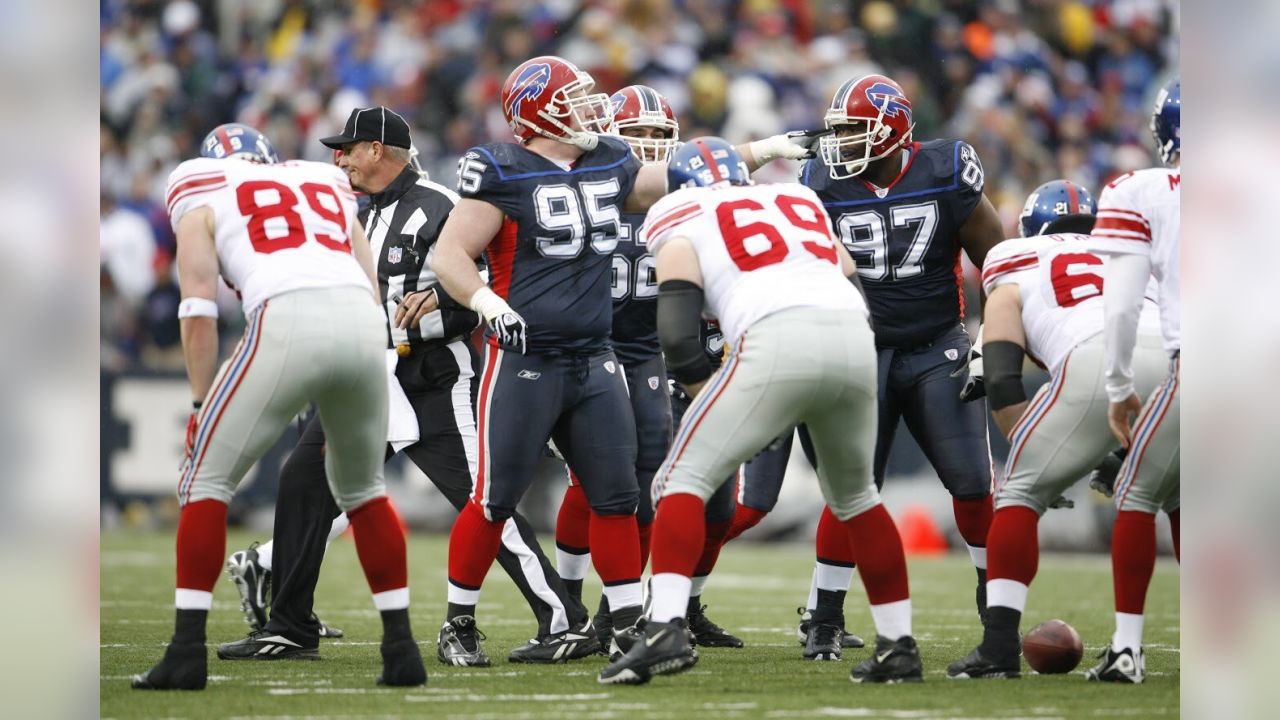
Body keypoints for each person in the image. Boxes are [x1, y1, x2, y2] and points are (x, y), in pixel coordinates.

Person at [429, 56, 813, 666]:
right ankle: (459, 621)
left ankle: (628, 625)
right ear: (537, 109)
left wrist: (761, 150)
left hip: (596, 358)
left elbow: (689, 174)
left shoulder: (609, 159)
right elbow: (450, 253)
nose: (590, 109)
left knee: (616, 498)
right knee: (496, 498)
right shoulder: (502, 168)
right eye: (574, 98)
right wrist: (483, 301)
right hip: (526, 359)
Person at [217, 107, 591, 664]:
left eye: (349, 147)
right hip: (367, 374)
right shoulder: (353, 210)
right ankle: (291, 624)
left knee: (482, 502)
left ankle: (564, 618)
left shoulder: (441, 204)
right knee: (304, 480)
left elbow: (498, 281)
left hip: (434, 377)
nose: (338, 158)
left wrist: (442, 301)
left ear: (378, 150)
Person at [599, 137, 921, 685]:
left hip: (775, 338)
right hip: (854, 336)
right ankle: (899, 645)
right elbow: (849, 276)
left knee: (679, 480)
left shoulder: (679, 211)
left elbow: (676, 334)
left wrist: (711, 394)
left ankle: (665, 628)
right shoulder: (795, 200)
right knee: (858, 498)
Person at [131, 123, 425, 690]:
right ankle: (401, 650)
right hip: (363, 326)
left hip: (286, 316)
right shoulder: (321, 180)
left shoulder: (201, 186)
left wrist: (199, 402)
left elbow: (197, 306)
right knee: (365, 492)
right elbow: (366, 281)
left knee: (204, 481)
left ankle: (186, 651)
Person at [790, 73, 1007, 658]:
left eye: (854, 130)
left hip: (937, 346)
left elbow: (999, 262)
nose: (839, 144)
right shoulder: (819, 183)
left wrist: (992, 334)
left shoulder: (944, 171)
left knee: (970, 481)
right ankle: (825, 615)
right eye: (837, 131)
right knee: (851, 488)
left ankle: (997, 603)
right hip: (859, 349)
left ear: (892, 131)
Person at [944, 180, 1166, 679]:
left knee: (1020, 491)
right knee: (1170, 496)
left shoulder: (1011, 258)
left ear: (1029, 227)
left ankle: (998, 648)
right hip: (1180, 360)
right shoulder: (1134, 252)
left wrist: (1048, 461)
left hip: (1094, 355)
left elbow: (1000, 379)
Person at [552, 84, 741, 653]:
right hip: (597, 352)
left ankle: (673, 606)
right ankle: (580, 605)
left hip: (674, 355)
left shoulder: (688, 201)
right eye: (639, 137)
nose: (652, 149)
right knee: (605, 486)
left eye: (661, 137)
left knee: (714, 500)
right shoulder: (589, 189)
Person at [1085, 77, 1181, 684]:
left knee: (1137, 494)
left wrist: (1120, 386)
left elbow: (1121, 307)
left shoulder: (1141, 189)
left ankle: (1126, 649)